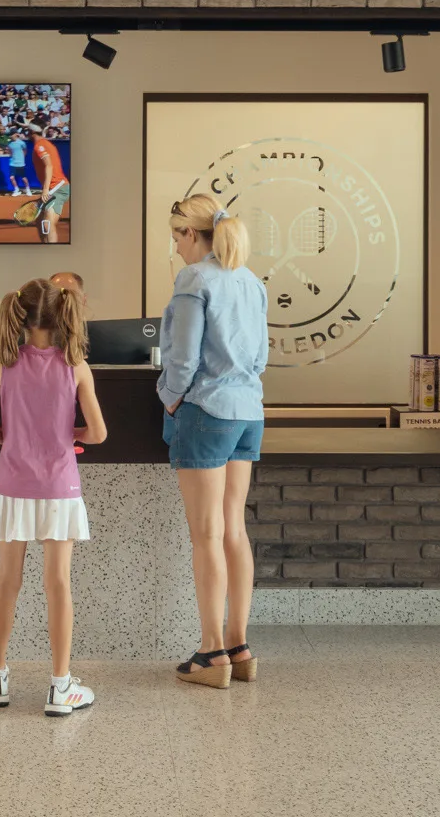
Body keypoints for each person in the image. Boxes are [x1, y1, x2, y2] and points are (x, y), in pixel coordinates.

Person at [0, 277, 106, 716]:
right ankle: (60, 687)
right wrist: (69, 435)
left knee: (6, 582)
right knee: (58, 584)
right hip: (59, 489)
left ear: (20, 314)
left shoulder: (1, 364)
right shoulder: (76, 365)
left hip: (12, 486)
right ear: (62, 313)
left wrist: (14, 439)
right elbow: (99, 433)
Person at [158, 193, 269, 688]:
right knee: (233, 531)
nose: (175, 248)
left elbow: (182, 358)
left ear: (191, 234)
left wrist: (171, 398)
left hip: (206, 410)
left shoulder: (194, 279)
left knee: (206, 534)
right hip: (249, 412)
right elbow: (261, 358)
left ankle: (210, 653)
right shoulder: (250, 281)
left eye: (176, 237)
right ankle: (239, 647)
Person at [31, 132, 68, 245]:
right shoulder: (48, 144)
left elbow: (49, 165)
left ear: (33, 132)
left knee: (47, 223)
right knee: (40, 221)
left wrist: (45, 189)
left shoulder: (40, 145)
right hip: (54, 188)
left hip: (58, 187)